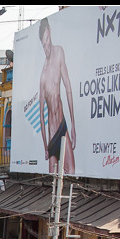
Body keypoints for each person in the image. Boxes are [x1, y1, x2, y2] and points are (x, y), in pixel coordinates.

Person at [38, 16, 77, 175]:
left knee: (72, 172)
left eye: (47, 41)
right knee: (52, 181)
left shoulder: (59, 52)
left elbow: (68, 86)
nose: (46, 46)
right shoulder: (42, 75)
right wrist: (45, 145)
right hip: (51, 134)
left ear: (50, 33)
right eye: (43, 44)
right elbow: (41, 115)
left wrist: (73, 125)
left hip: (62, 127)